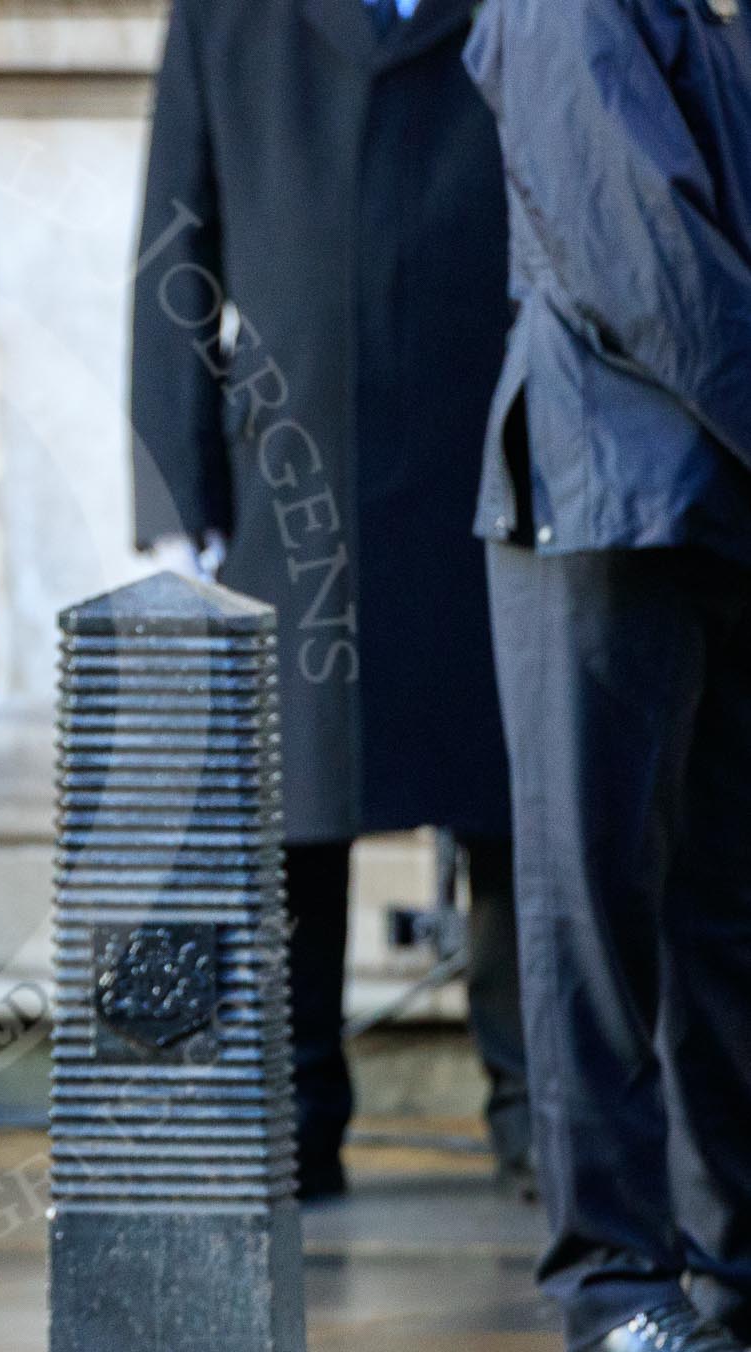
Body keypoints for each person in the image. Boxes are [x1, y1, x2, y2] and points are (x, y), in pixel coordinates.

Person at [130, 0, 531, 1201]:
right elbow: (174, 252)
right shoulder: (227, 16)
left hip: (491, 464)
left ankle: (536, 1115)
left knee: (513, 812)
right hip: (295, 481)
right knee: (293, 809)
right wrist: (175, 485)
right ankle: (292, 1112)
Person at [465, 2, 751, 1348]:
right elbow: (649, 261)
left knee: (728, 907)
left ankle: (739, 1253)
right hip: (605, 491)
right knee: (592, 903)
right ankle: (616, 1284)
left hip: (726, 492)